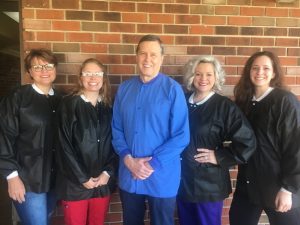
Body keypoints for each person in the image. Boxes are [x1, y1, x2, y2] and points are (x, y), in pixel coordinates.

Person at [112, 34, 190, 225]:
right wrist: (129, 160)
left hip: (162, 175)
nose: (148, 59)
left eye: (153, 54)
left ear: (162, 58)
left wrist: (151, 164)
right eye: (143, 54)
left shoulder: (172, 89)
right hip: (130, 174)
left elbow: (181, 136)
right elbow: (116, 128)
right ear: (136, 56)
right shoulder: (124, 89)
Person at [176, 55, 256, 225]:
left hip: (209, 186)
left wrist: (218, 156)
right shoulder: (181, 101)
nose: (203, 79)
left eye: (209, 74)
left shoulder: (224, 106)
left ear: (216, 77)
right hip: (182, 180)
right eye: (198, 74)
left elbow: (247, 142)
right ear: (191, 76)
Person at [229, 51, 300, 225]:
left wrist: (288, 189)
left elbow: (296, 147)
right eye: (255, 68)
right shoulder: (243, 102)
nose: (260, 72)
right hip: (247, 185)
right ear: (249, 72)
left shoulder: (285, 101)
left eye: (266, 68)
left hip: (277, 186)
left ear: (274, 73)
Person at [0, 48, 61, 225]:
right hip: (27, 179)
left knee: (45, 218)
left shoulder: (62, 99)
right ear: (29, 72)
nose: (44, 71)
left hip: (56, 178)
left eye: (48, 65)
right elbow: (4, 137)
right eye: (37, 67)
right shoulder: (17, 98)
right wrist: (11, 177)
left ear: (55, 69)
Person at [56, 58, 118, 225]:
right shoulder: (69, 105)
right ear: (81, 77)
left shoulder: (107, 108)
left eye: (97, 74)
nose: (93, 78)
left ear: (103, 78)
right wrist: (82, 178)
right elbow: (64, 146)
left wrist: (107, 172)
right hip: (75, 185)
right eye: (88, 74)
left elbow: (116, 143)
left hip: (102, 184)